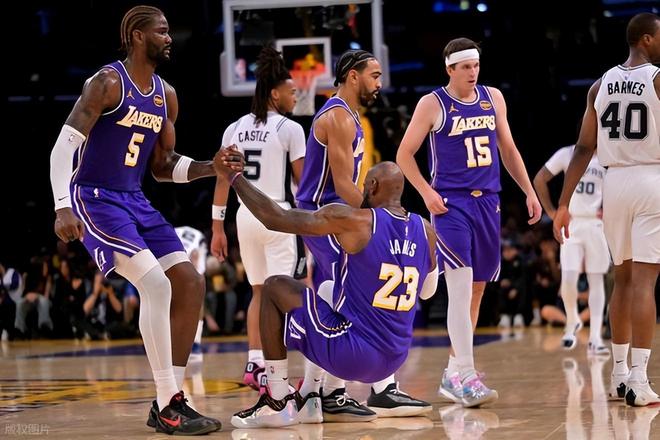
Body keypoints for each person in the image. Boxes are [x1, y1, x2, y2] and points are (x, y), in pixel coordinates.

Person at [48, 5, 222, 434]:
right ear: (137, 36)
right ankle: (167, 402)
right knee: (156, 284)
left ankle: (170, 398)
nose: (169, 38)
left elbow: (163, 167)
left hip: (135, 199)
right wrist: (62, 205)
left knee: (190, 282)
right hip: (94, 198)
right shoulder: (107, 83)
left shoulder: (167, 95)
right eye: (162, 31)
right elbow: (61, 149)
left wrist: (211, 167)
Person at [214, 154, 438, 428]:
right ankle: (316, 395)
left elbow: (275, 218)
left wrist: (234, 178)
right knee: (330, 289)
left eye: (364, 186)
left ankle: (276, 401)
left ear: (373, 186)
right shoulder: (425, 229)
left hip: (355, 356)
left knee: (274, 287)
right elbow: (427, 292)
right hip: (395, 358)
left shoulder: (355, 220)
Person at [396, 37, 542, 407]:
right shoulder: (433, 103)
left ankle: (453, 373)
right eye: (465, 67)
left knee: (477, 289)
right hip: (452, 205)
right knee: (460, 290)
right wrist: (426, 193)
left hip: (488, 202)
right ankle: (467, 375)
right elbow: (404, 154)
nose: (473, 72)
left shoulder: (493, 98)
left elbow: (508, 149)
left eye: (476, 65)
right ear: (449, 69)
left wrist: (528, 190)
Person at [295, 49, 431, 418]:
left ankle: (331, 391)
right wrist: (381, 220)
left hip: (340, 214)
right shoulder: (338, 116)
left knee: (342, 293)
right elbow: (342, 183)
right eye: (374, 75)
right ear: (353, 76)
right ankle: (329, 391)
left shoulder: (352, 116)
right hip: (325, 215)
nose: (380, 83)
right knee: (344, 290)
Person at [553, 12, 660, 407]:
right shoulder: (657, 78)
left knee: (624, 279)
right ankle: (640, 380)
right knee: (645, 282)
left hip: (614, 184)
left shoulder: (600, 84)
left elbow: (584, 147)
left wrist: (563, 203)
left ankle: (618, 374)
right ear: (646, 39)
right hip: (651, 179)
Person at [210, 46, 307, 392]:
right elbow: (303, 184)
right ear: (275, 94)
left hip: (244, 216)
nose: (296, 96)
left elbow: (223, 179)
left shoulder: (234, 128)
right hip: (278, 216)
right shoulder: (290, 129)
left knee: (257, 292)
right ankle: (278, 371)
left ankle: (255, 363)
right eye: (292, 91)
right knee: (283, 294)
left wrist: (217, 227)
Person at [534, 143, 609, 354]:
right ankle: (572, 320)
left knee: (596, 280)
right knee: (568, 278)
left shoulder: (608, 158)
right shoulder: (566, 154)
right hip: (572, 223)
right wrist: (552, 212)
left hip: (596, 224)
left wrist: (609, 210)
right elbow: (539, 179)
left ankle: (595, 337)